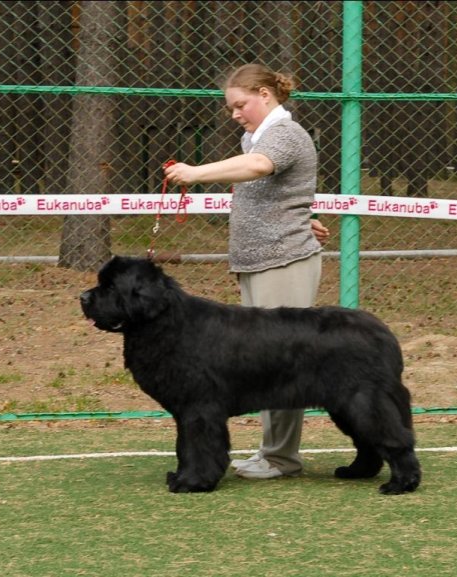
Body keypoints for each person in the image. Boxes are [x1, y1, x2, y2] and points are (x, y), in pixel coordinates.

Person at [164, 63, 329, 479]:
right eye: (231, 107)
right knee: (261, 361)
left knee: (282, 361)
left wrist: (195, 173)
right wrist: (300, 217)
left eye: (241, 104)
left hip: (284, 260)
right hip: (258, 261)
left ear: (265, 95)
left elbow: (257, 167)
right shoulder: (254, 135)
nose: (235, 113)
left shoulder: (284, 134)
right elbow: (274, 191)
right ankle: (270, 451)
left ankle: (281, 457)